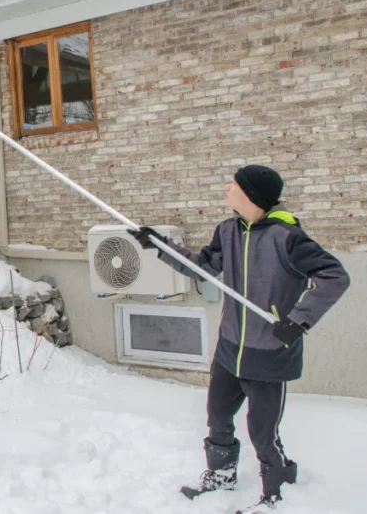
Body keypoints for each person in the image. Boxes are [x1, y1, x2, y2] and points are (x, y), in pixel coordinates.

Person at [129, 165, 350, 513]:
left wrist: (299, 321)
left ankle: (278, 490)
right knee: (218, 417)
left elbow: (335, 277)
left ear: (251, 196)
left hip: (270, 353)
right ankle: (221, 476)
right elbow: (203, 267)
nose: (226, 189)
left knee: (263, 432)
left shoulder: (288, 238)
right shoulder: (229, 230)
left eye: (233, 185)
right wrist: (160, 245)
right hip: (231, 348)